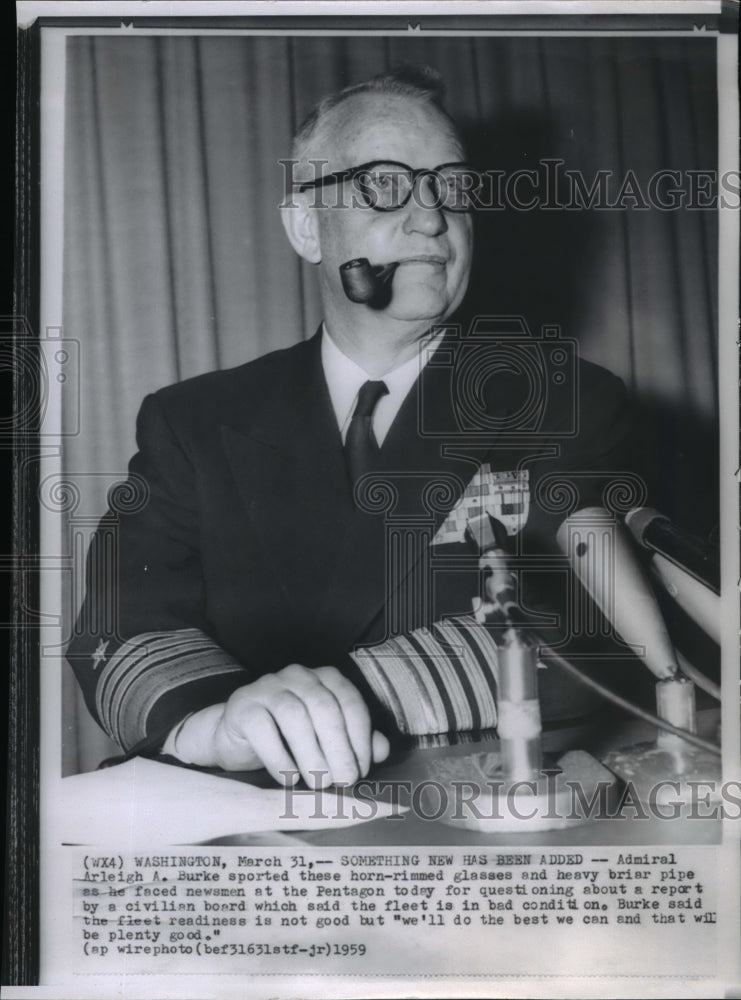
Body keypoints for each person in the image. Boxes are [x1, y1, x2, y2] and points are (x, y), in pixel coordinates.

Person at [68, 65, 637, 790]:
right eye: (385, 184)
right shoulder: (195, 420)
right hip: (236, 806)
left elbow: (581, 633)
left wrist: (316, 701)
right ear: (306, 225)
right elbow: (122, 624)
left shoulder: (565, 402)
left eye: (452, 187)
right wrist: (217, 721)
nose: (431, 217)